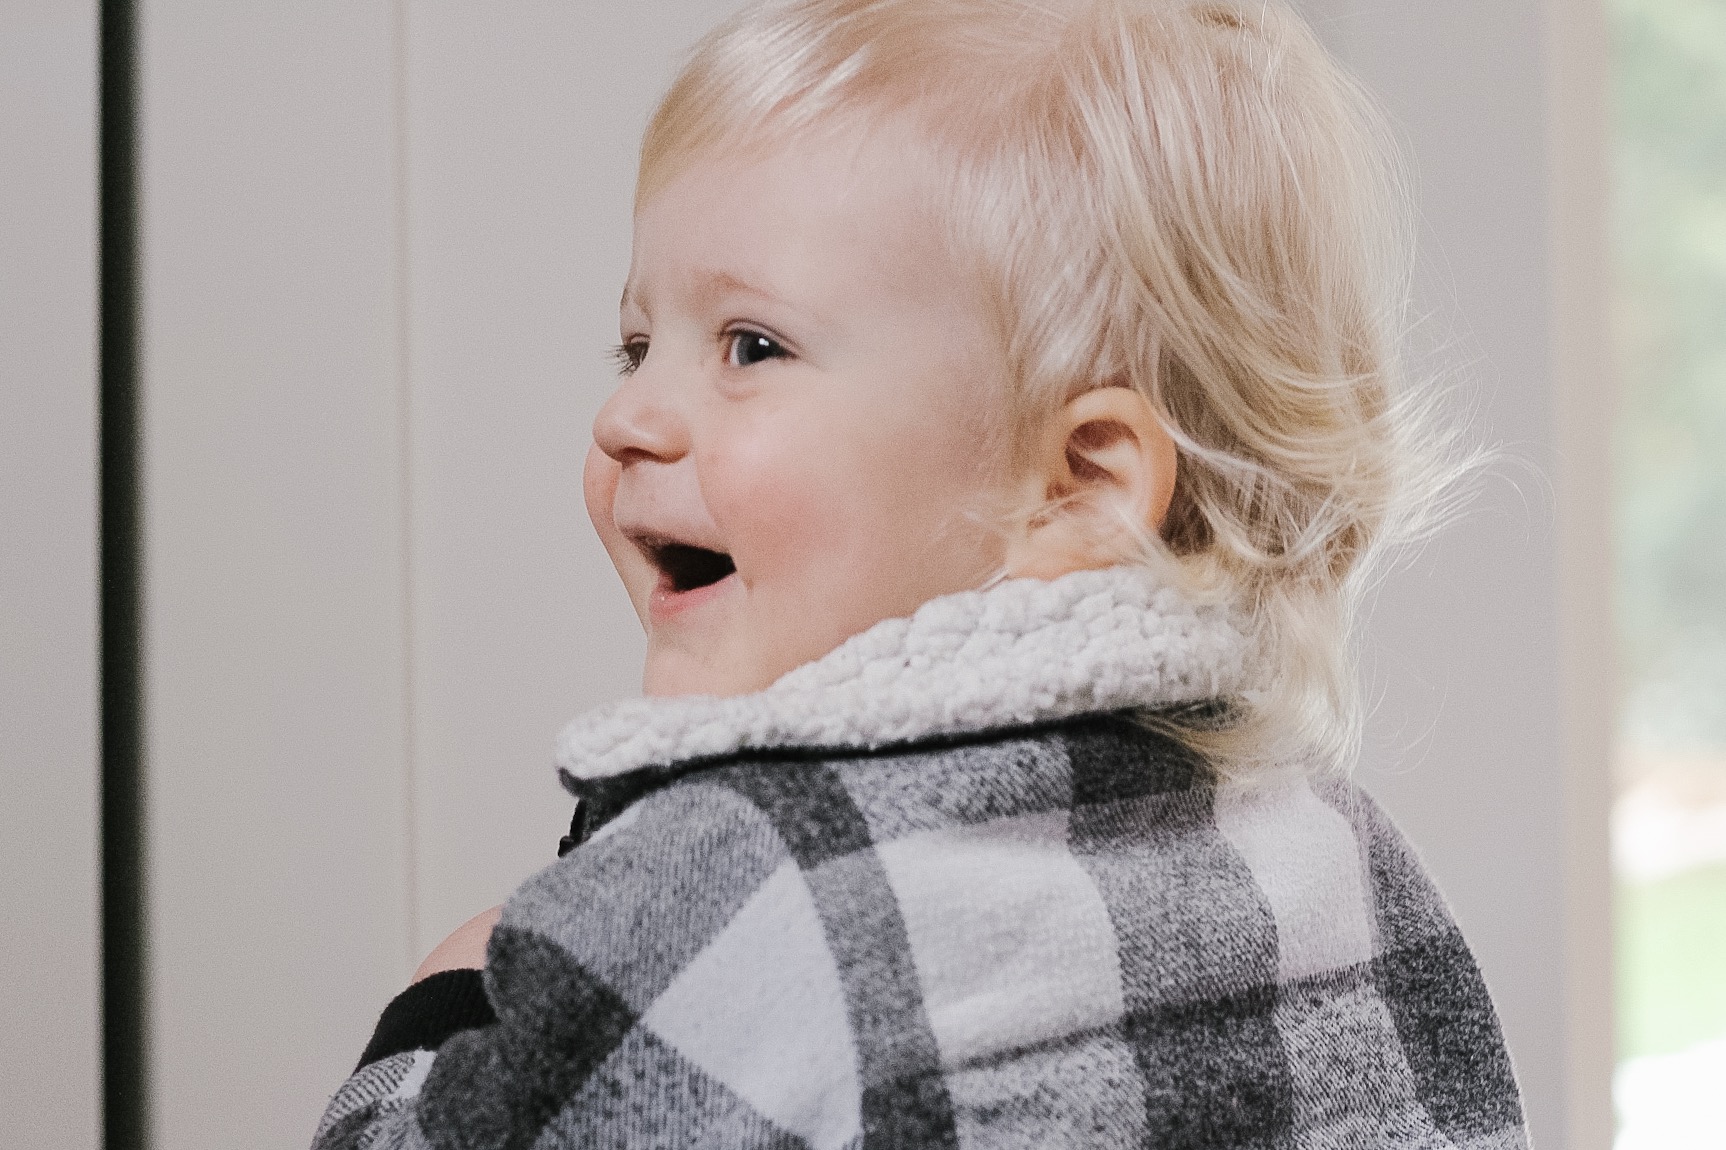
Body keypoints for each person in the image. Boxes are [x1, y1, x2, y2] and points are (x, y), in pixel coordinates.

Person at [313, 0, 1528, 1145]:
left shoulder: (718, 888)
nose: (627, 414)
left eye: (750, 345)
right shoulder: (1336, 858)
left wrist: (446, 1000)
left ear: (1081, 487)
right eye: (636, 346)